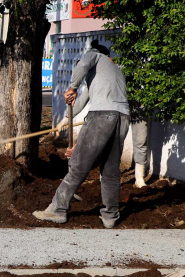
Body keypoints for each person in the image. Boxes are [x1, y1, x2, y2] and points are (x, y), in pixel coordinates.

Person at [34, 42, 130, 228]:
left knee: (78, 164)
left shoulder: (96, 56)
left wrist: (72, 87)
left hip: (102, 115)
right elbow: (83, 99)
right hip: (122, 117)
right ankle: (110, 216)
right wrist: (64, 120)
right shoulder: (114, 72)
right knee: (110, 170)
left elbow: (83, 65)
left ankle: (57, 209)